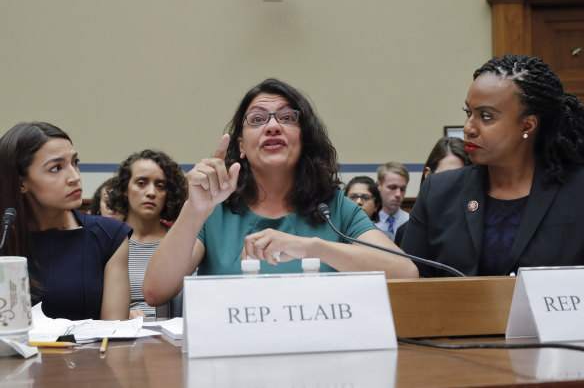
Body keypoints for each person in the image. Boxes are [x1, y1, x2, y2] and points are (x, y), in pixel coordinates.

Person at [143, 78, 418, 305]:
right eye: (257, 119)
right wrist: (194, 209)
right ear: (241, 146)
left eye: (286, 117)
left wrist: (312, 247)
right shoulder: (214, 209)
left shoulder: (334, 207)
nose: (272, 126)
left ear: (304, 139)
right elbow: (156, 292)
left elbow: (406, 274)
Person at [401, 54, 584, 277]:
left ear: (527, 125)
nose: (469, 128)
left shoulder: (577, 191)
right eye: (469, 113)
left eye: (486, 116)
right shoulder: (439, 192)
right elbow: (412, 282)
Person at [0, 122, 131, 320]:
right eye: (56, 168)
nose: (74, 177)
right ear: (21, 183)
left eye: (75, 162)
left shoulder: (109, 236)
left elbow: (114, 334)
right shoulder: (5, 238)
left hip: (94, 351)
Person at [108, 150, 187, 318]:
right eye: (141, 183)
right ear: (125, 189)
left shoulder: (184, 241)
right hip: (124, 335)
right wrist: (121, 315)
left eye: (160, 186)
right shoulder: (109, 242)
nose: (151, 192)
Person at [394, 136, 469, 245]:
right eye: (447, 175)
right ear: (428, 175)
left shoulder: (478, 228)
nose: (455, 184)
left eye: (462, 177)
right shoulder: (406, 232)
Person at [374, 162, 410, 240]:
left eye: (403, 189)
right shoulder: (369, 222)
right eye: (392, 187)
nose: (398, 194)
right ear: (378, 185)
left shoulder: (411, 222)